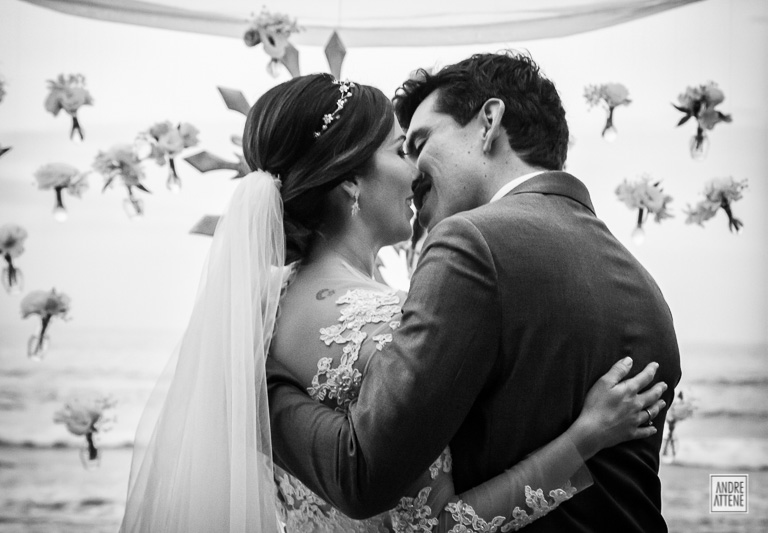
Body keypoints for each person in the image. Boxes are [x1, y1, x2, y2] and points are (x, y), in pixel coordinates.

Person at [119, 72, 667, 533]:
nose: (414, 171)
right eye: (398, 149)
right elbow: (430, 527)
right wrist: (583, 440)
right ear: (352, 181)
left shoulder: (260, 309)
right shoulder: (379, 322)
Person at [266, 53, 682, 533]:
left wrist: (262, 397)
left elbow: (376, 480)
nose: (414, 169)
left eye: (418, 143)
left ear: (489, 122)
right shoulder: (646, 291)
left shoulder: (470, 243)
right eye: (402, 150)